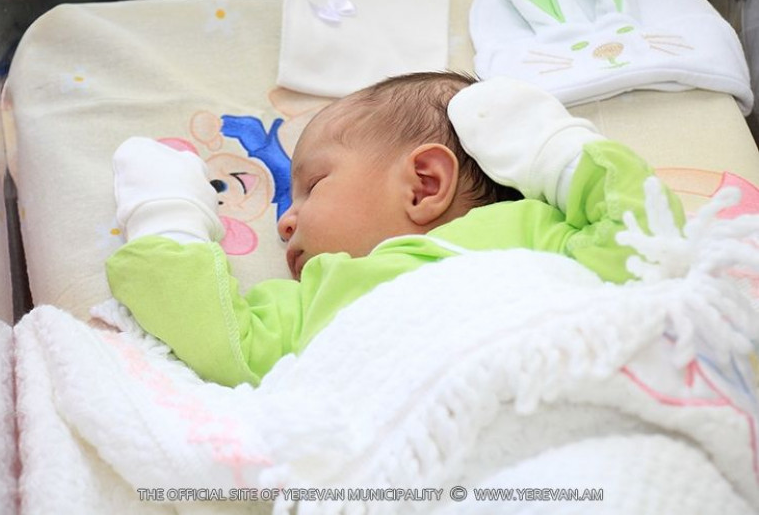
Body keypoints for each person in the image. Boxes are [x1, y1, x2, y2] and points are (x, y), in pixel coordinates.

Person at [106, 72, 684, 387]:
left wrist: (554, 152)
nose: (284, 221)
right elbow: (219, 342)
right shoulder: (313, 299)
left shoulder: (532, 232)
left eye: (313, 184)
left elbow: (647, 248)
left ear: (423, 185)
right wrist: (167, 214)